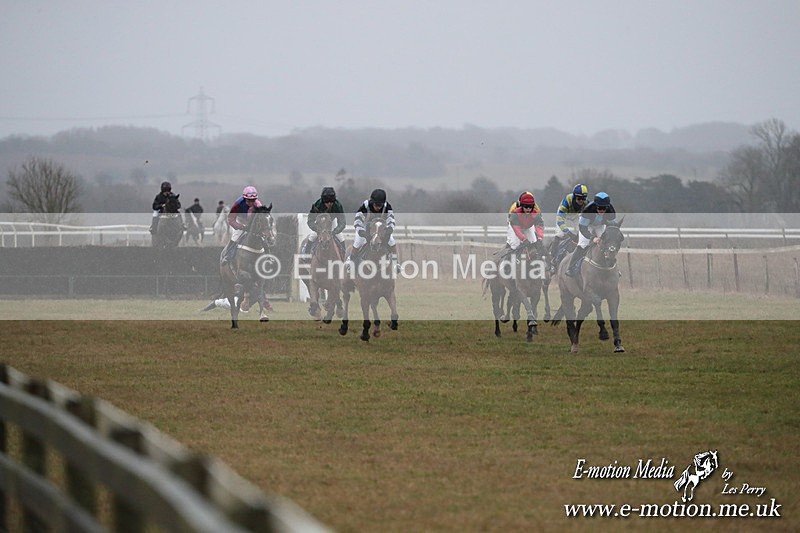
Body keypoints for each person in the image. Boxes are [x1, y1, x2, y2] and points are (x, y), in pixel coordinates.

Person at [565, 191, 617, 277]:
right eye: (599, 208)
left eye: (604, 208)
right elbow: (583, 228)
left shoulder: (611, 211)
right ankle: (570, 267)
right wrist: (593, 238)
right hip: (587, 226)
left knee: (607, 243)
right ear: (595, 206)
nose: (602, 210)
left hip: (600, 225)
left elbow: (612, 226)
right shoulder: (588, 210)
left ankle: (614, 268)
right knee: (583, 244)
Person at [344, 188, 398, 271]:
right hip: (365, 228)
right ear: (372, 202)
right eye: (376, 205)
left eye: (380, 205)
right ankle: (351, 261)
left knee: (392, 242)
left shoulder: (387, 207)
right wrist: (361, 230)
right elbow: (358, 219)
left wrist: (390, 228)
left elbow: (391, 219)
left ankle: (396, 264)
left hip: (380, 230)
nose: (378, 207)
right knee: (358, 242)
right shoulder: (366, 205)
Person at [548, 184, 589, 273]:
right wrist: (568, 233)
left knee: (581, 233)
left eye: (583, 198)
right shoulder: (567, 201)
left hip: (576, 216)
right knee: (559, 234)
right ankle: (553, 261)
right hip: (564, 216)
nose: (581, 201)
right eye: (579, 198)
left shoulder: (587, 203)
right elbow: (560, 221)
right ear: (574, 196)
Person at [221, 185, 263, 264]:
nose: (251, 203)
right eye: (249, 200)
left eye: (253, 200)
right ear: (244, 198)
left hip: (252, 222)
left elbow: (262, 218)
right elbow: (230, 219)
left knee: (262, 237)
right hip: (240, 221)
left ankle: (268, 256)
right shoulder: (238, 203)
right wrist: (241, 227)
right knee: (235, 236)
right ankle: (227, 256)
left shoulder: (258, 204)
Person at [302, 186, 346, 257]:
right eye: (327, 202)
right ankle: (306, 256)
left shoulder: (338, 205)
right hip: (320, 223)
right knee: (313, 236)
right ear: (323, 201)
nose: (329, 204)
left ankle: (343, 257)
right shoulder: (317, 205)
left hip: (331, 222)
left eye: (331, 202)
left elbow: (342, 222)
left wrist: (335, 231)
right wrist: (316, 228)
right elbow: (310, 220)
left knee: (341, 238)